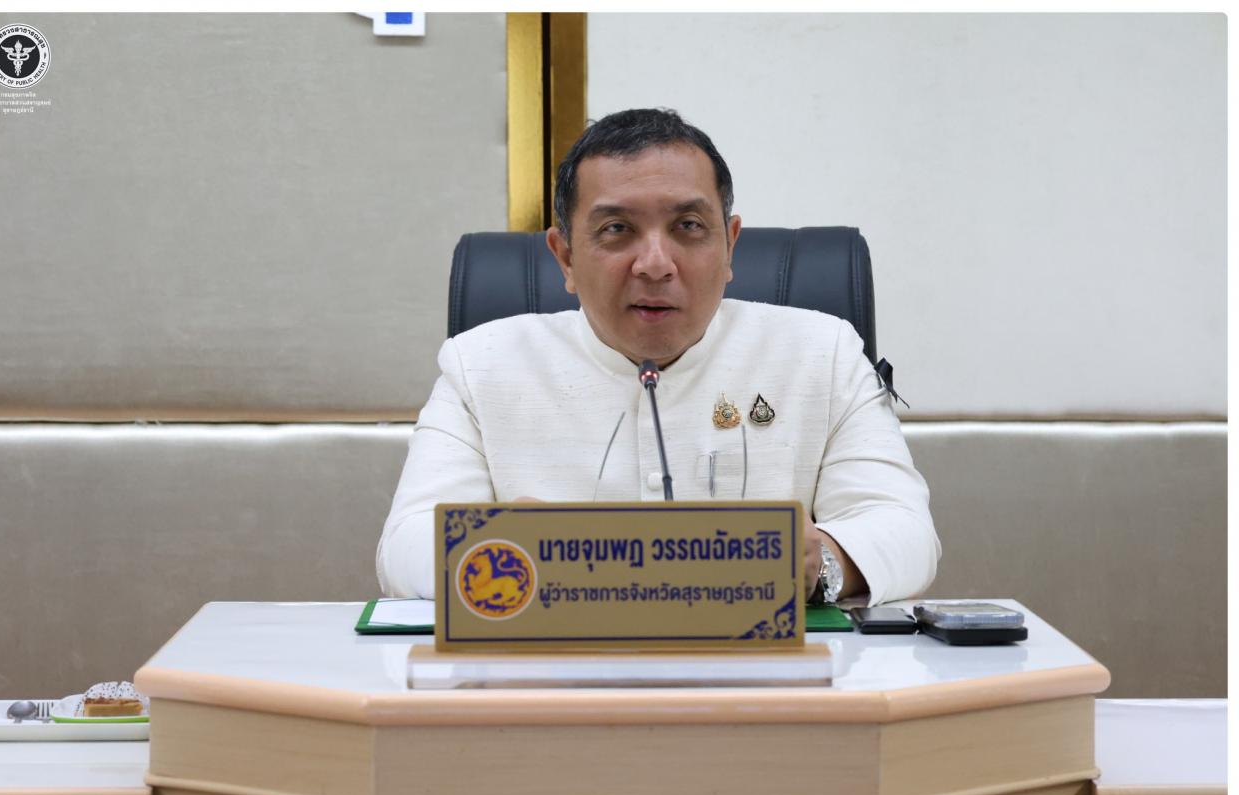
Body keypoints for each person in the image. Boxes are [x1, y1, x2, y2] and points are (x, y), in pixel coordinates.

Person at [378, 108, 939, 606]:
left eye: (688, 227)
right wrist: (503, 543)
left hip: (769, 677)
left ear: (729, 246)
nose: (654, 264)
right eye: (617, 229)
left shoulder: (823, 352)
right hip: (550, 678)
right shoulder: (480, 366)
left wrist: (821, 563)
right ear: (565, 257)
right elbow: (404, 549)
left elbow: (906, 531)